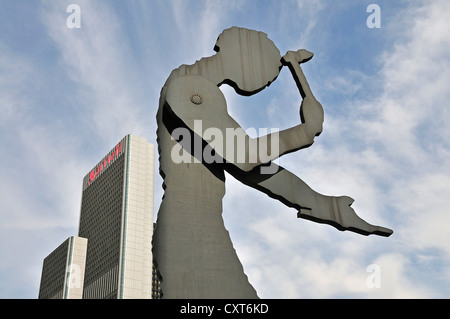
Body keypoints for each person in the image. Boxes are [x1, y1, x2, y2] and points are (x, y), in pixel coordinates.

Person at [153, 26, 393, 299]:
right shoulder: (188, 87)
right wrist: (302, 133)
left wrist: (323, 204)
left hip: (202, 229)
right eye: (269, 67)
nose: (270, 79)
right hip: (190, 233)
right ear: (243, 54)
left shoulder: (204, 98)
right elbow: (245, 157)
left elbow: (256, 169)